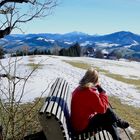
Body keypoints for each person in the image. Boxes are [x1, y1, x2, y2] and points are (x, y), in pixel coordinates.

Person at [70, 67, 129, 140]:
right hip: (82, 128)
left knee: (108, 119)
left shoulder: (80, 88)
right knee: (108, 113)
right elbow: (102, 109)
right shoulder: (89, 93)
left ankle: (118, 125)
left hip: (77, 124)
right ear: (94, 80)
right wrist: (102, 93)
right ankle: (119, 123)